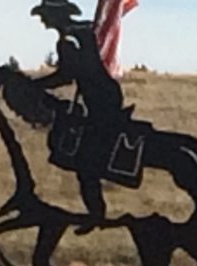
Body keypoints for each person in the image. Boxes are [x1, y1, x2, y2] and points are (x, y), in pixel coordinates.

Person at [30, 0, 126, 235]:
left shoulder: (67, 40)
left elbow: (67, 75)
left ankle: (96, 214)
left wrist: (34, 85)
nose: (43, 21)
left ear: (55, 16)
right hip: (106, 94)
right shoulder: (83, 31)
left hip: (99, 100)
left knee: (87, 160)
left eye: (45, 16)